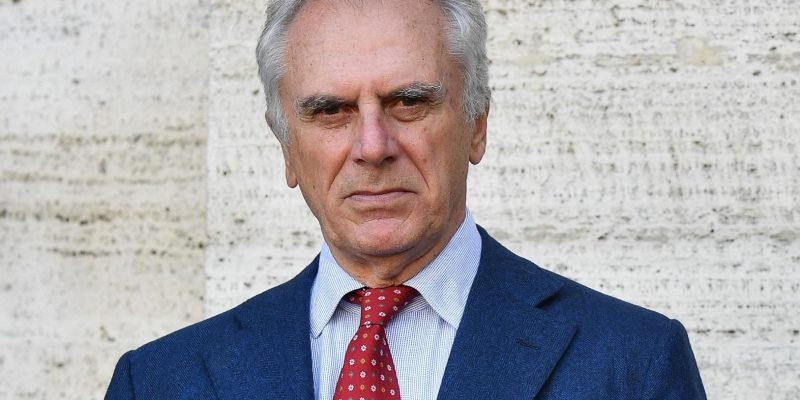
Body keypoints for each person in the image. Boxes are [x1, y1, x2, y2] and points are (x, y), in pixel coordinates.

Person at [105, 0, 707, 399]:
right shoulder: (160, 383)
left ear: (476, 123)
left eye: (409, 102)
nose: (373, 147)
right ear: (287, 147)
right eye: (331, 111)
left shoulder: (633, 365)